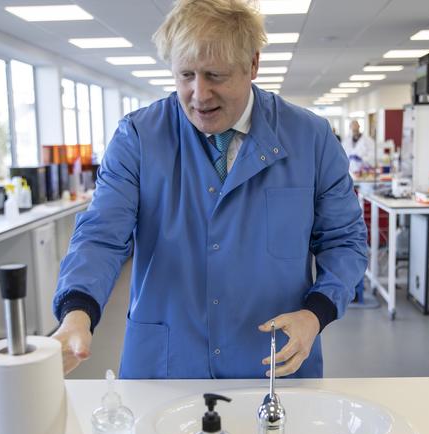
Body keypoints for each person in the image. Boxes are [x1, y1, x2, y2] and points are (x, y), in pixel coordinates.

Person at [51, 0, 368, 379]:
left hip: (273, 360)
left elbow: (345, 241)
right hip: (167, 362)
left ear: (252, 65)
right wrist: (77, 311)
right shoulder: (139, 137)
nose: (199, 95)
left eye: (215, 75)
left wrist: (316, 313)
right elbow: (101, 235)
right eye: (186, 75)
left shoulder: (310, 138)